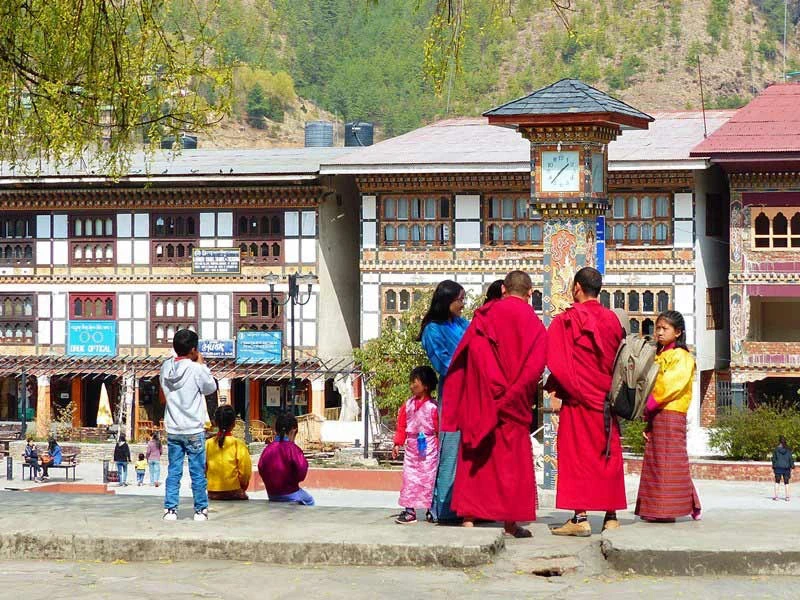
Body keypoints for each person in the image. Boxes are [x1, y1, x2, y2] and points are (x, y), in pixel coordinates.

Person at [442, 270, 547, 538]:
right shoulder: (535, 324)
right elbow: (535, 368)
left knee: (477, 458)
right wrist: (512, 394)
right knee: (512, 463)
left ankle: (469, 518)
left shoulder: (485, 316)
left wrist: (491, 391)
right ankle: (510, 523)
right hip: (514, 404)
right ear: (530, 292)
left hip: (484, 398)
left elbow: (472, 356)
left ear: (503, 289)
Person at [546, 267, 626, 537]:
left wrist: (562, 390)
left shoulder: (566, 320)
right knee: (607, 454)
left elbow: (556, 362)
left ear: (577, 288)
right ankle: (611, 517)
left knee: (576, 457)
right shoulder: (612, 319)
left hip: (579, 401)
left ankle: (580, 517)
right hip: (606, 400)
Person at [635, 310, 702, 523]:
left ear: (678, 332)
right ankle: (659, 507)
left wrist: (649, 404)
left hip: (671, 412)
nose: (659, 333)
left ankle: (665, 510)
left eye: (665, 328)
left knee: (669, 462)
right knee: (657, 462)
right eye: (658, 328)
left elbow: (670, 385)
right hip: (658, 413)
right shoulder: (658, 355)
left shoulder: (682, 357)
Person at [419, 279, 469, 523]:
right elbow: (442, 363)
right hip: (453, 394)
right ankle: (444, 508)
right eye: (460, 300)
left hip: (472, 391)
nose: (463, 304)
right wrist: (470, 363)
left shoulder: (461, 323)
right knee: (451, 448)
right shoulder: (433, 330)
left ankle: (469, 505)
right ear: (447, 301)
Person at [160, 328, 218, 521]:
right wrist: (202, 365)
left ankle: (170, 509)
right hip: (193, 428)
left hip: (173, 428)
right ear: (193, 350)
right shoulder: (196, 369)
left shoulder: (166, 368)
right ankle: (200, 510)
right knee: (197, 473)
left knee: (174, 471)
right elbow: (210, 388)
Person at [393, 366, 440, 525]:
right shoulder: (407, 405)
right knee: (409, 478)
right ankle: (409, 511)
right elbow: (401, 425)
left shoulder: (434, 407)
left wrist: (438, 447)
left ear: (425, 385)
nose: (412, 385)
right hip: (412, 449)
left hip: (429, 449)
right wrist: (398, 443)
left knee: (430, 479)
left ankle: (432, 510)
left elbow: (438, 430)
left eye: (415, 382)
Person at [258, 411, 314, 506]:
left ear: (276, 430)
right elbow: (301, 471)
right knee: (310, 500)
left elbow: (261, 468)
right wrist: (294, 481)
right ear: (293, 431)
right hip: (291, 493)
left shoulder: (267, 449)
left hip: (272, 494)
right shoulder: (293, 449)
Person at [206, 404, 252, 501]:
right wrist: (242, 486)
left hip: (212, 492)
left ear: (215, 422)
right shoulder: (238, 444)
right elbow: (245, 472)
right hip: (234, 491)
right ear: (234, 423)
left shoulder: (208, 444)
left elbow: (202, 468)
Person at [772, 436, 794, 502]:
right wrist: (792, 465)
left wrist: (774, 466)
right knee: (786, 482)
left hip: (778, 467)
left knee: (777, 481)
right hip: (786, 468)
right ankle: (787, 497)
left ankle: (776, 497)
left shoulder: (776, 449)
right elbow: (790, 458)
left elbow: (773, 459)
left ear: (779, 442)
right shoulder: (788, 450)